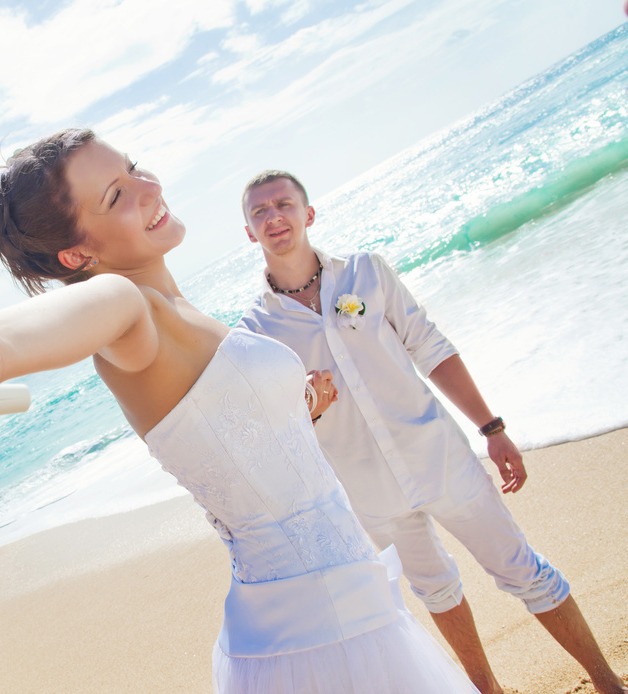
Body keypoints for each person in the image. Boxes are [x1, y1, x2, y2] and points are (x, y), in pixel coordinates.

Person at [0, 129, 479, 693]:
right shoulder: (130, 307)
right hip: (321, 637)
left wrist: (303, 398)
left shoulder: (180, 311)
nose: (148, 187)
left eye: (135, 168)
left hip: (333, 610)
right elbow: (3, 334)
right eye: (117, 195)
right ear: (77, 255)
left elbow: (231, 426)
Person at [236, 170, 628, 694]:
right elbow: (274, 431)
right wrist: (308, 405)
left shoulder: (367, 273)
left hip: (440, 458)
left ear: (308, 215)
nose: (273, 217)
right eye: (259, 212)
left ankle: (606, 682)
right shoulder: (255, 330)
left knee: (523, 569)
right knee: (435, 591)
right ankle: (488, 690)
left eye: (283, 204)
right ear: (248, 232)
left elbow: (431, 348)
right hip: (368, 491)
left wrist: (492, 428)